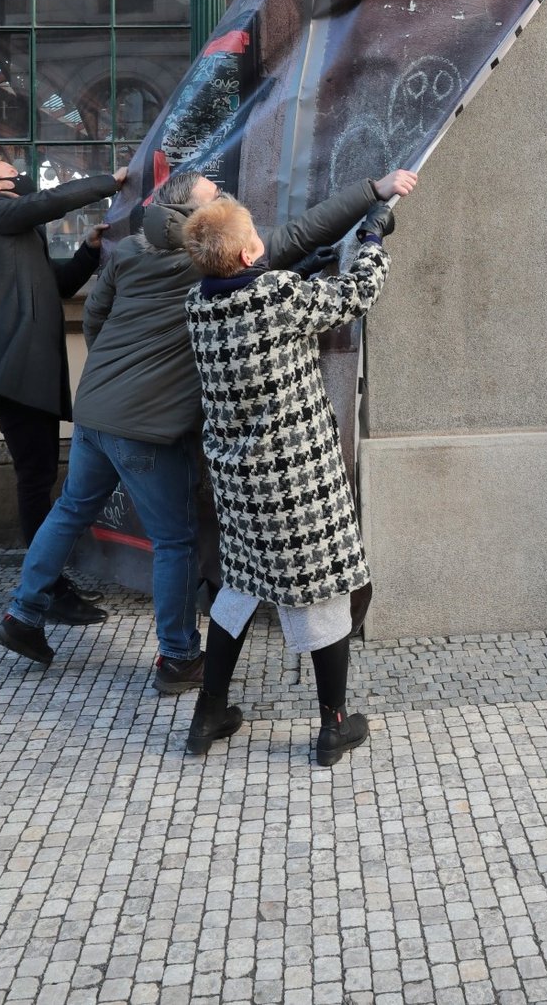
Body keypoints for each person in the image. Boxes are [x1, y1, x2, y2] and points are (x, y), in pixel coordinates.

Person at [0, 167, 416, 689]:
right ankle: (177, 656)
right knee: (174, 540)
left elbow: (94, 321)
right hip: (146, 425)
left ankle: (21, 615)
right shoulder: (205, 255)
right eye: (215, 197)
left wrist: (111, 382)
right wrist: (375, 190)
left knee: (72, 507)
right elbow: (304, 232)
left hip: (95, 410)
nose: (227, 201)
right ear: (191, 214)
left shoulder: (125, 252)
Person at [179, 189, 403, 765]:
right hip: (298, 478)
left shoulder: (198, 303)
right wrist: (372, 238)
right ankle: (333, 725)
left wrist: (303, 264)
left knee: (241, 585)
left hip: (238, 480)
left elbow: (252, 293)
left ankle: (209, 715)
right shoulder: (277, 297)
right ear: (253, 252)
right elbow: (356, 294)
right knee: (322, 585)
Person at [0, 155, 127, 624]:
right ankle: (45, 589)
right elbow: (48, 201)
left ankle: (49, 581)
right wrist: (106, 183)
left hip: (27, 374)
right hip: (15, 374)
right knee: (35, 482)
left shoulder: (13, 229)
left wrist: (91, 250)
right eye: (11, 172)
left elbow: (56, 283)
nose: (21, 177)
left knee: (38, 478)